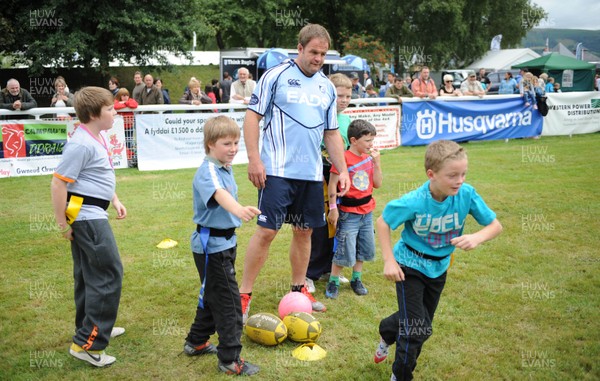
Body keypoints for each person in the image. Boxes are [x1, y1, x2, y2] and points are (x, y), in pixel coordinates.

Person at [239, 23, 350, 323]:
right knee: (267, 232)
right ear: (299, 49)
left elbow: (332, 133)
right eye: (313, 52)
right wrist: (253, 159)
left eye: (323, 54)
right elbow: (252, 118)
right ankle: (244, 295)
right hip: (276, 171)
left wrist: (343, 168)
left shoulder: (327, 86)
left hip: (311, 175)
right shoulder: (275, 76)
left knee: (304, 232)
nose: (318, 58)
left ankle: (299, 290)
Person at [374, 139, 502, 381]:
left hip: (438, 268)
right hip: (408, 266)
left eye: (463, 173)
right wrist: (389, 261)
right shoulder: (415, 200)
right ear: (431, 174)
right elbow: (383, 222)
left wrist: (477, 238)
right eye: (453, 175)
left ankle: (387, 330)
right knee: (416, 330)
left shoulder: (466, 195)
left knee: (423, 326)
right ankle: (400, 376)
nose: (460, 180)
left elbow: (495, 226)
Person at [50, 86, 127, 367]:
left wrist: (115, 200)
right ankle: (89, 344)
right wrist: (63, 223)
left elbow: (96, 176)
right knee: (108, 273)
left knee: (88, 274)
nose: (115, 111)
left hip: (88, 210)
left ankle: (92, 328)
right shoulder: (81, 143)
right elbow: (59, 183)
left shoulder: (96, 137)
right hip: (85, 214)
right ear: (95, 114)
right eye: (110, 108)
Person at [184, 115, 261, 376]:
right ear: (210, 144)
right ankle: (230, 359)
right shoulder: (208, 172)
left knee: (213, 295)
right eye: (227, 143)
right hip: (211, 246)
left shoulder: (224, 168)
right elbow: (219, 195)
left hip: (225, 242)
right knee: (229, 303)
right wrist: (239, 209)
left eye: (236, 142)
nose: (233, 148)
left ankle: (196, 341)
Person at [305, 72, 353, 292]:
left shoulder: (347, 120)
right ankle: (309, 274)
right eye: (339, 95)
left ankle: (327, 268)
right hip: (319, 177)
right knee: (319, 225)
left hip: (339, 177)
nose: (343, 100)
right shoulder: (316, 116)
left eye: (348, 95)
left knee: (336, 224)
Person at [325, 119, 382, 299]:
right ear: (353, 140)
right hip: (349, 213)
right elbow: (332, 185)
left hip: (367, 212)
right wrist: (333, 209)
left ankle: (356, 279)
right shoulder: (342, 160)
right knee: (344, 248)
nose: (371, 144)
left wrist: (377, 163)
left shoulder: (369, 159)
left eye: (372, 140)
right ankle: (333, 280)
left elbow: (378, 184)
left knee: (364, 247)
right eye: (367, 141)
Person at [113, 88, 139, 164]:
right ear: (119, 96)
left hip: (129, 126)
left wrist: (124, 103)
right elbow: (115, 106)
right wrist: (125, 104)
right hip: (119, 127)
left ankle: (129, 158)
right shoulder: (116, 101)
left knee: (129, 143)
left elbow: (134, 105)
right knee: (120, 143)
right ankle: (123, 158)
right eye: (123, 95)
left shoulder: (130, 100)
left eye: (127, 95)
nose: (125, 97)